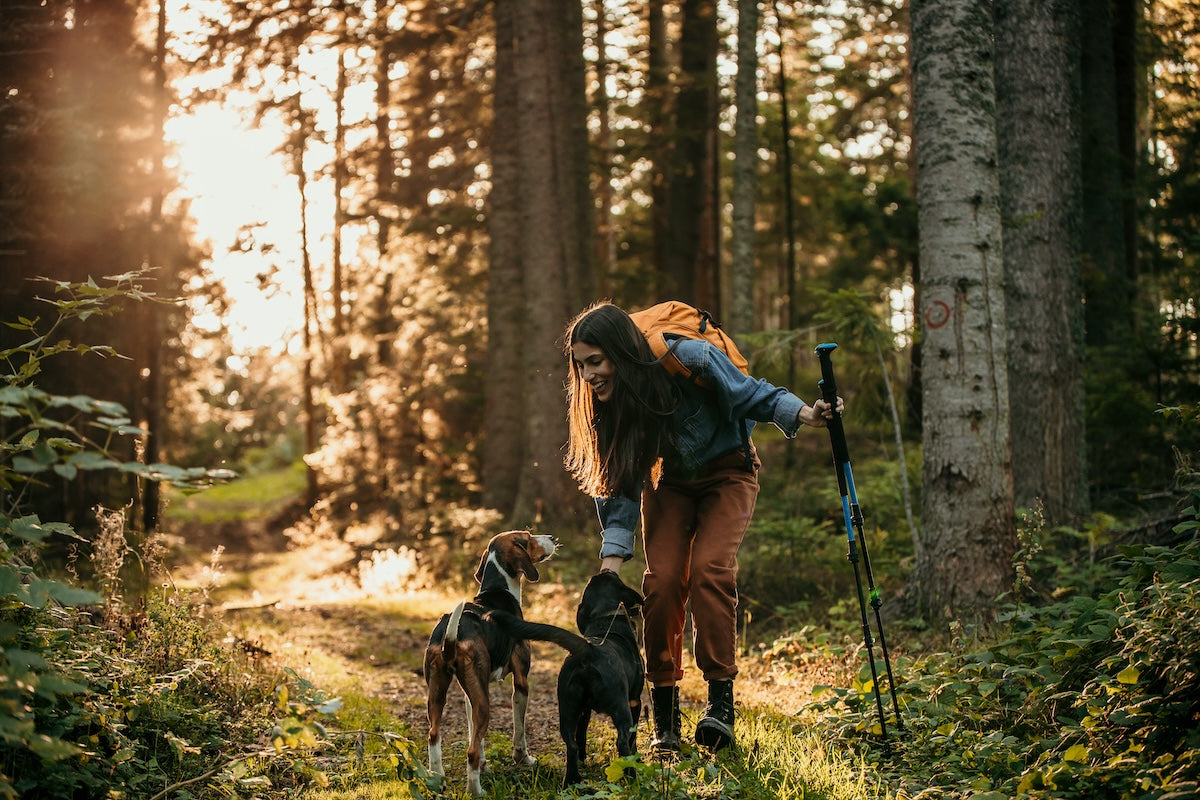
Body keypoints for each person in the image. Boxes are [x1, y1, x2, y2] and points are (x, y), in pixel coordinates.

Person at [563, 301, 842, 753]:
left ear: (619, 350)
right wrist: (610, 566)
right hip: (669, 483)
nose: (589, 375)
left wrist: (805, 414)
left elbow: (750, 393)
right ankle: (666, 717)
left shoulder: (688, 357)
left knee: (711, 569)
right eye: (581, 366)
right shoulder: (608, 402)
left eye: (596, 361)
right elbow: (619, 481)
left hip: (729, 471)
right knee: (663, 582)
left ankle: (719, 706)